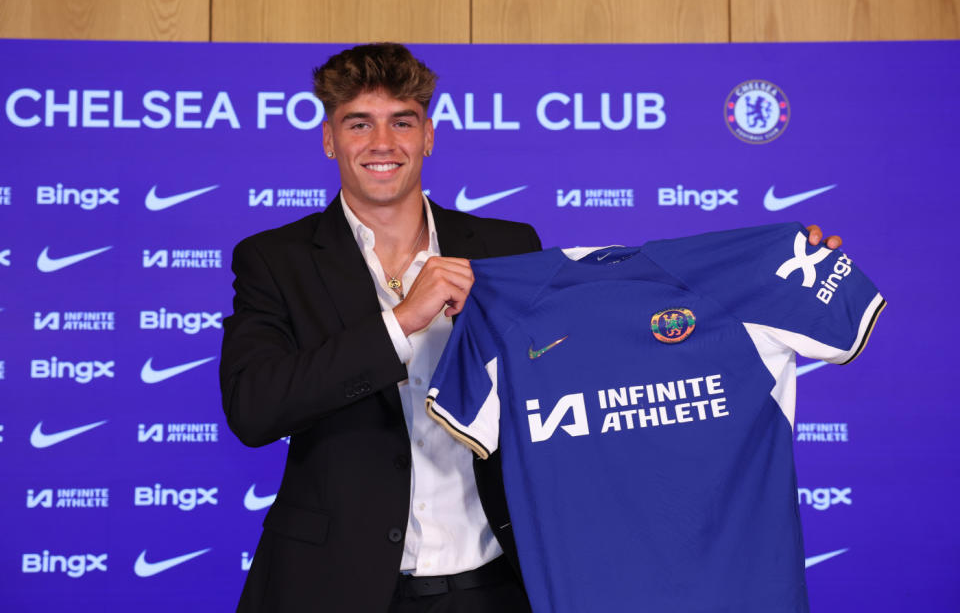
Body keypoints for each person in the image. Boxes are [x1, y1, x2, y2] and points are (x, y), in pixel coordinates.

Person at [220, 42, 842, 613]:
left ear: (428, 135)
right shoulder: (275, 260)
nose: (382, 142)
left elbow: (608, 344)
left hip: (498, 584)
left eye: (402, 121)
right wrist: (404, 321)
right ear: (330, 139)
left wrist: (779, 271)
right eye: (360, 123)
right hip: (335, 585)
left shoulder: (506, 248)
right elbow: (255, 407)